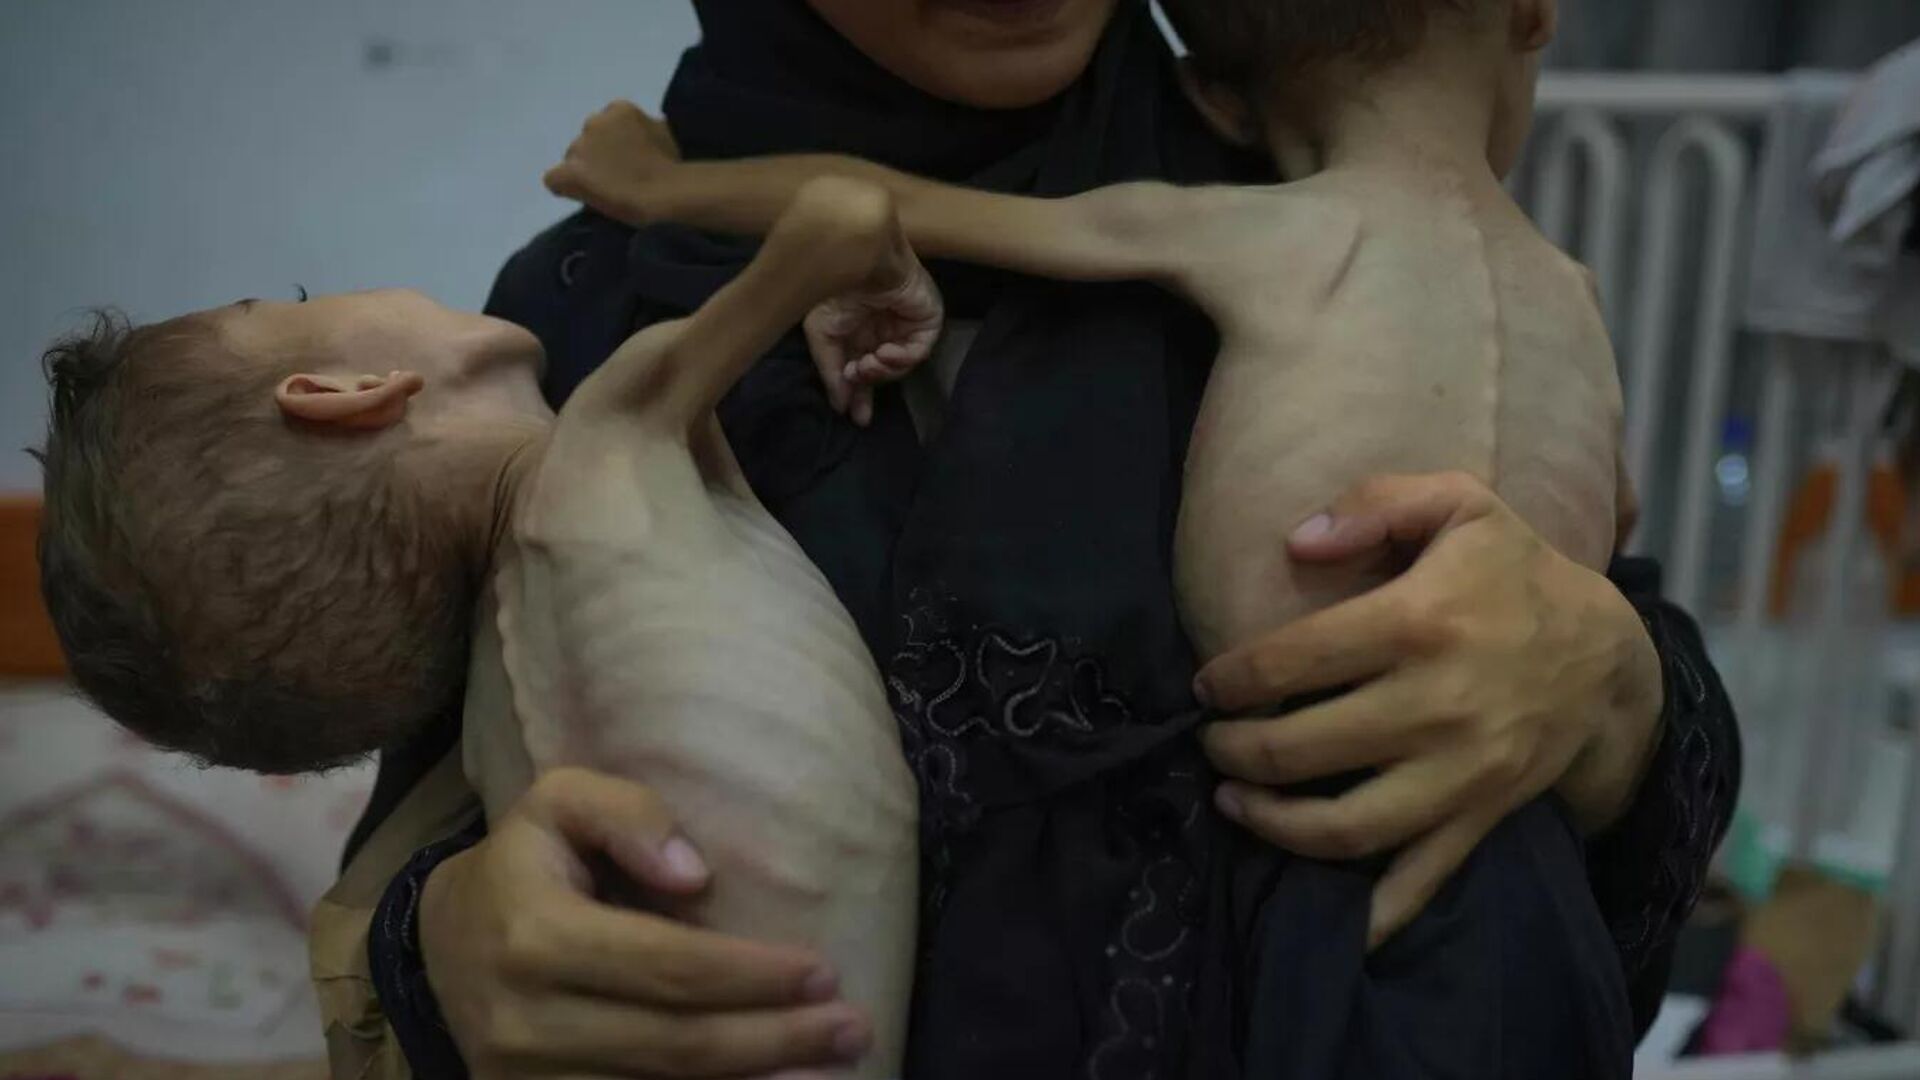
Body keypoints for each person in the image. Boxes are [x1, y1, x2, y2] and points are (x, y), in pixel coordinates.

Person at [318, 1, 1741, 1077]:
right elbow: (423, 816)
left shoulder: (1306, 158)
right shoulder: (571, 317)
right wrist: (445, 946)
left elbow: (1618, 719)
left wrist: (1611, 689)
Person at [32, 187, 936, 1075]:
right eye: (295, 302)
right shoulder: (617, 430)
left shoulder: (486, 738)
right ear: (340, 391)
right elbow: (844, 218)